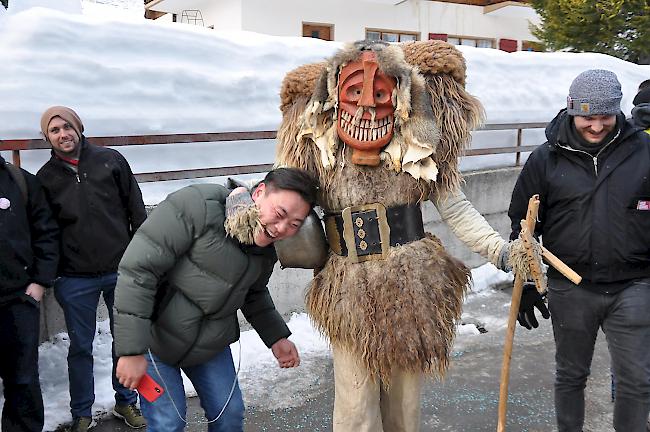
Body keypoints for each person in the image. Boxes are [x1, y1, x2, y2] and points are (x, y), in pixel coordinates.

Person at [275, 40, 526, 431]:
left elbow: (456, 208)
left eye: (378, 94)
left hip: (411, 286)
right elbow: (281, 193)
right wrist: (245, 205)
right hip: (347, 290)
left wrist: (501, 251)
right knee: (355, 409)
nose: (366, 107)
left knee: (402, 410)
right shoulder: (317, 146)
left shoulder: (418, 148)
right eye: (355, 93)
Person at [113, 167, 318, 432]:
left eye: (294, 224)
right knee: (168, 424)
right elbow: (137, 271)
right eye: (279, 214)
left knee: (230, 416)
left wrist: (277, 337)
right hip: (154, 341)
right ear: (259, 193)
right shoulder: (197, 205)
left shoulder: (266, 247)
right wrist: (131, 351)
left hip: (211, 344)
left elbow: (254, 292)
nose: (281, 229)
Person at [508, 69, 650, 432]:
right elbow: (522, 226)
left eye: (605, 116)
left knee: (636, 380)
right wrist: (525, 281)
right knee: (570, 374)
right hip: (570, 287)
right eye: (588, 116)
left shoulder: (644, 152)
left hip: (634, 285)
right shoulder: (546, 158)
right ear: (571, 109)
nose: (597, 125)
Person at [36, 106, 147, 431]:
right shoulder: (46, 178)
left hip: (121, 270)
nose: (62, 134)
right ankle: (81, 412)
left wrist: (141, 258)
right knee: (80, 347)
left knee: (125, 342)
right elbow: (45, 228)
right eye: (54, 131)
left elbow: (136, 209)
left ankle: (126, 402)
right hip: (74, 278)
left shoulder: (110, 160)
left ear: (78, 128)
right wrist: (52, 273)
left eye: (66, 127)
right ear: (48, 138)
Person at [0, 156, 58, 431]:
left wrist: (39, 282)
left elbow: (46, 233)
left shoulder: (19, 181)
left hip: (17, 300)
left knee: (22, 381)